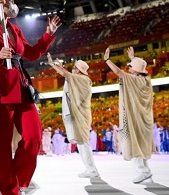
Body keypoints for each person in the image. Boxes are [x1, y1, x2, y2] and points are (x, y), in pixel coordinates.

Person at [0, 0, 60, 195]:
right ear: (0, 5)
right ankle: (9, 190)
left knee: (34, 136)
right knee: (3, 146)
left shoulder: (15, 29)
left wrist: (48, 34)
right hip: (1, 92)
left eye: (13, 1)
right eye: (9, 2)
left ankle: (19, 180)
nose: (13, 5)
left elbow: (31, 54)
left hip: (22, 89)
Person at [104, 46, 155, 184]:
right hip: (144, 119)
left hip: (135, 118)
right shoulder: (146, 80)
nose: (129, 68)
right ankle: (146, 172)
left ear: (136, 70)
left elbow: (119, 72)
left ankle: (143, 171)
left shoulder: (134, 79)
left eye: (131, 66)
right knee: (141, 145)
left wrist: (107, 60)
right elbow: (137, 69)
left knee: (133, 144)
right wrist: (133, 58)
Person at [46, 53, 99, 178]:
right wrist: (61, 66)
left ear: (80, 71)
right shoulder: (80, 79)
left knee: (83, 142)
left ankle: (92, 169)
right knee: (81, 143)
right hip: (78, 114)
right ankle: (89, 168)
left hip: (81, 115)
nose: (73, 69)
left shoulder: (84, 79)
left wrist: (53, 65)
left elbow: (66, 75)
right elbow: (68, 79)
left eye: (75, 68)